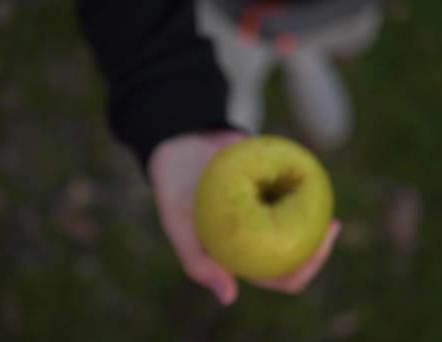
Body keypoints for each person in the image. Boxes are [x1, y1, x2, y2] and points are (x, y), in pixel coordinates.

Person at [76, 0, 380, 305]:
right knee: (237, 73)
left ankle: (299, 53)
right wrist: (167, 93)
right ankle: (261, 74)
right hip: (236, 17)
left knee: (316, 36)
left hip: (336, 13)